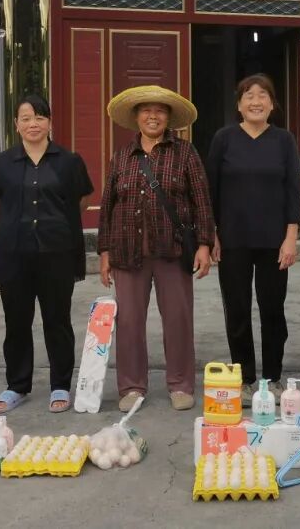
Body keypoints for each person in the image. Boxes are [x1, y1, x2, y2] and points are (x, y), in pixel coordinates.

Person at [97, 85, 216, 412]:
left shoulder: (185, 153)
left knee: (178, 319)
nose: (153, 116)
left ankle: (180, 384)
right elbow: (108, 206)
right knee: (129, 323)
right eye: (146, 110)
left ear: (169, 117)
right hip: (127, 252)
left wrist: (204, 244)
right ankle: (132, 386)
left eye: (160, 110)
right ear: (136, 117)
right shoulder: (122, 156)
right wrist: (104, 252)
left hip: (173, 251)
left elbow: (201, 200)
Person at [0, 93, 94, 414]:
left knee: (57, 320)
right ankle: (17, 385)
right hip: (14, 254)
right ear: (16, 124)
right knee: (17, 321)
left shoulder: (69, 161)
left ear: (50, 123)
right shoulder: (3, 162)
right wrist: (16, 225)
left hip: (57, 253)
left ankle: (60, 384)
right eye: (26, 118)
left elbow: (81, 201)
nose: (33, 124)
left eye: (40, 117)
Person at [206, 74, 300, 401]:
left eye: (263, 95)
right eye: (249, 95)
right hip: (233, 239)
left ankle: (272, 376)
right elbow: (211, 191)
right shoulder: (224, 139)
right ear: (239, 104)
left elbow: (293, 191)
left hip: (274, 241)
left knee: (272, 310)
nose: (256, 101)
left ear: (272, 104)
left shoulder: (284, 140)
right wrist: (212, 234)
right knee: (237, 309)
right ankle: (244, 376)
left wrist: (291, 237)